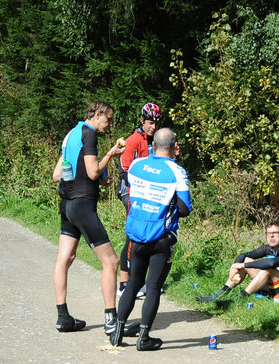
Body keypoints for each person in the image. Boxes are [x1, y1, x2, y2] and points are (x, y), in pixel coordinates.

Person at [111, 128, 192, 350]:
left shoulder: (138, 165)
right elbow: (184, 209)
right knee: (153, 287)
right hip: (161, 238)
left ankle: (117, 333)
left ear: (153, 145)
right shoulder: (177, 171)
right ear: (174, 147)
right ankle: (143, 338)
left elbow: (128, 185)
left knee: (132, 284)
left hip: (136, 234)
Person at [52, 101, 123, 333]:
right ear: (98, 114)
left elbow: (57, 174)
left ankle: (63, 317)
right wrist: (111, 153)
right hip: (83, 206)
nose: (109, 125)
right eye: (109, 119)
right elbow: (92, 171)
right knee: (111, 262)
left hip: (67, 205)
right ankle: (112, 322)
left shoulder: (71, 134)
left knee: (65, 258)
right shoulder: (89, 135)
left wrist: (91, 177)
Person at [116, 103, 164, 301]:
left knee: (147, 236)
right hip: (130, 193)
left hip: (147, 194)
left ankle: (140, 280)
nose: (153, 126)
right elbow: (124, 171)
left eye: (156, 123)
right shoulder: (133, 140)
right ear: (142, 121)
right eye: (150, 123)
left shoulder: (155, 142)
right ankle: (124, 284)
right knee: (134, 235)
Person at [196, 220, 279, 304]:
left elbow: (272, 264)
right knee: (247, 259)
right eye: (268, 233)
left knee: (268, 268)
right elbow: (243, 255)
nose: (271, 236)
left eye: (275, 233)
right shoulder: (268, 248)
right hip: (272, 286)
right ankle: (219, 294)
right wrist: (235, 266)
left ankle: (236, 300)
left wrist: (243, 265)